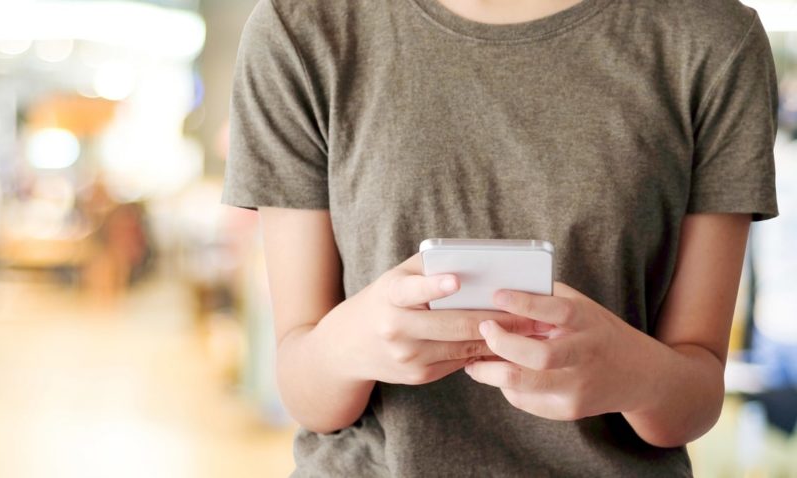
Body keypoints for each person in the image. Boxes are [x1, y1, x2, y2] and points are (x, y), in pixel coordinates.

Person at [221, 0, 779, 475]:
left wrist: (631, 374)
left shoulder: (712, 37)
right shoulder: (301, 30)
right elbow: (303, 387)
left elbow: (699, 386)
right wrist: (352, 344)